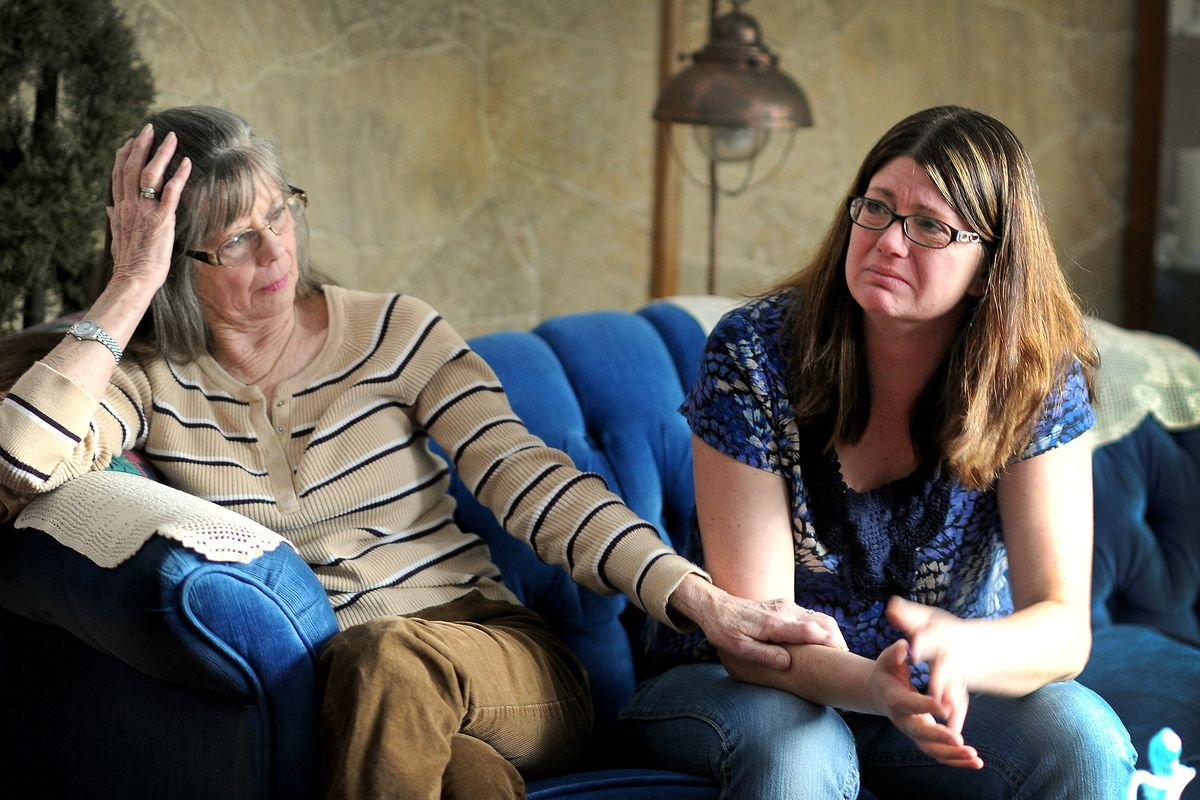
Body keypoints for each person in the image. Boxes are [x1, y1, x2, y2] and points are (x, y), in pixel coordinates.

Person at [0, 106, 845, 800]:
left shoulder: (393, 332)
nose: (274, 252)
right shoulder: (149, 384)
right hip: (358, 695)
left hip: (498, 658)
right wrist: (128, 288)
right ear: (177, 265)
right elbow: (19, 466)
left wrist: (699, 599)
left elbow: (532, 483)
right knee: (467, 782)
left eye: (278, 215)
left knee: (390, 653)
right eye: (233, 242)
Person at [620, 105, 1137, 799]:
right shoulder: (753, 353)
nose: (890, 241)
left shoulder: (1034, 381)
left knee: (1083, 739)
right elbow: (755, 637)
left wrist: (964, 649)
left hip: (930, 684)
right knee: (803, 753)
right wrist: (876, 685)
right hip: (732, 680)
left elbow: (1061, 629)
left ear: (989, 268)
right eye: (877, 209)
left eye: (929, 226)